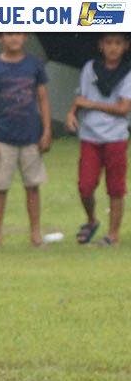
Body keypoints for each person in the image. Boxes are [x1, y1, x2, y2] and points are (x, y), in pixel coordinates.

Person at [0, 32, 52, 249]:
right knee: (0, 187)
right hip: (3, 137)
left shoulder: (34, 65)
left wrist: (47, 130)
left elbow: (43, 99)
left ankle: (35, 235)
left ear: (25, 37)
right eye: (9, 34)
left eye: (18, 34)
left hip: (30, 136)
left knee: (33, 186)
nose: (14, 39)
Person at [65, 32, 131, 247]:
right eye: (109, 42)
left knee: (115, 188)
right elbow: (80, 97)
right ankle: (92, 219)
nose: (113, 48)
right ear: (101, 45)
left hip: (116, 137)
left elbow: (123, 108)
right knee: (85, 186)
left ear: (125, 46)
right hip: (89, 136)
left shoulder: (127, 74)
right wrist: (71, 113)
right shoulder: (89, 68)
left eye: (118, 43)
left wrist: (92, 105)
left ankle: (113, 235)